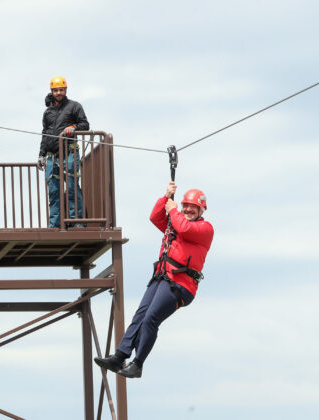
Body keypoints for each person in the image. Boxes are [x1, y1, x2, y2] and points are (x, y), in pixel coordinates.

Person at [94, 182, 214, 378]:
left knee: (151, 318)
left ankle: (138, 364)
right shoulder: (176, 222)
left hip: (180, 284)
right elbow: (155, 217)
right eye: (186, 206)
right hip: (163, 277)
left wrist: (173, 210)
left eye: (193, 207)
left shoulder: (204, 229)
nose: (188, 210)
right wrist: (166, 197)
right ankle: (120, 356)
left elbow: (183, 229)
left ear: (201, 210)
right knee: (140, 316)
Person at [37, 76, 89, 228]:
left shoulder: (74, 106)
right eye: (55, 90)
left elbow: (85, 124)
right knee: (53, 192)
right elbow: (45, 134)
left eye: (61, 90)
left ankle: (76, 221)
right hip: (51, 156)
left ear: (65, 90)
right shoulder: (48, 112)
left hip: (69, 152)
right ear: (51, 91)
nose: (58, 92)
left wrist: (74, 128)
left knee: (72, 187)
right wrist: (41, 155)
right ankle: (55, 225)